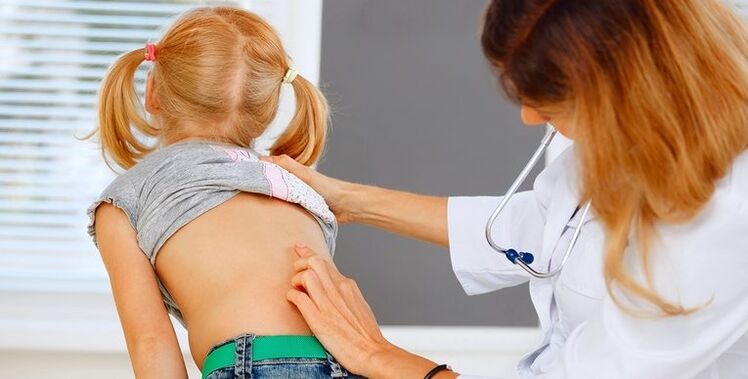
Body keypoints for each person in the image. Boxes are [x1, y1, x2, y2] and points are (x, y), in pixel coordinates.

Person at [265, 1, 748, 378]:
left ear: (630, 87)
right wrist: (348, 199)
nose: (530, 117)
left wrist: (379, 355)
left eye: (552, 99)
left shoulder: (722, 221)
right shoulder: (627, 142)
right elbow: (541, 229)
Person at [84, 7, 362, 379]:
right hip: (350, 358)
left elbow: (152, 342)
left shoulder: (126, 198)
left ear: (152, 91)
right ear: (267, 109)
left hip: (250, 363)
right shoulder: (294, 183)